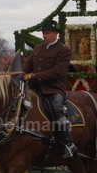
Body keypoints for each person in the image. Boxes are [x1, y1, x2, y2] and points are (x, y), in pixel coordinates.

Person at [23, 19, 77, 159]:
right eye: (43, 33)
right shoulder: (37, 48)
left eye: (47, 33)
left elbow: (58, 72)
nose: (44, 36)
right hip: (34, 88)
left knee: (56, 107)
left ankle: (68, 143)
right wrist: (19, 74)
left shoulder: (63, 50)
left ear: (56, 34)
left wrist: (34, 76)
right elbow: (27, 66)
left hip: (53, 88)